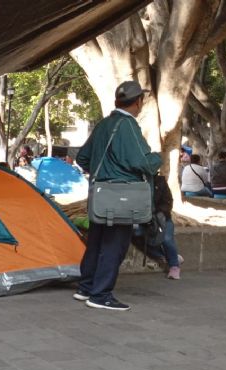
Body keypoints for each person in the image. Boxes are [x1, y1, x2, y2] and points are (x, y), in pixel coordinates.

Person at [75, 80, 162, 311]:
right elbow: (141, 161)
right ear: (138, 102)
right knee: (115, 245)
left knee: (96, 241)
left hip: (100, 194)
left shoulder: (104, 124)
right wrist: (158, 158)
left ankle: (86, 287)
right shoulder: (127, 125)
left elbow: (82, 158)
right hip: (121, 197)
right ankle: (101, 294)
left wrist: (103, 172)